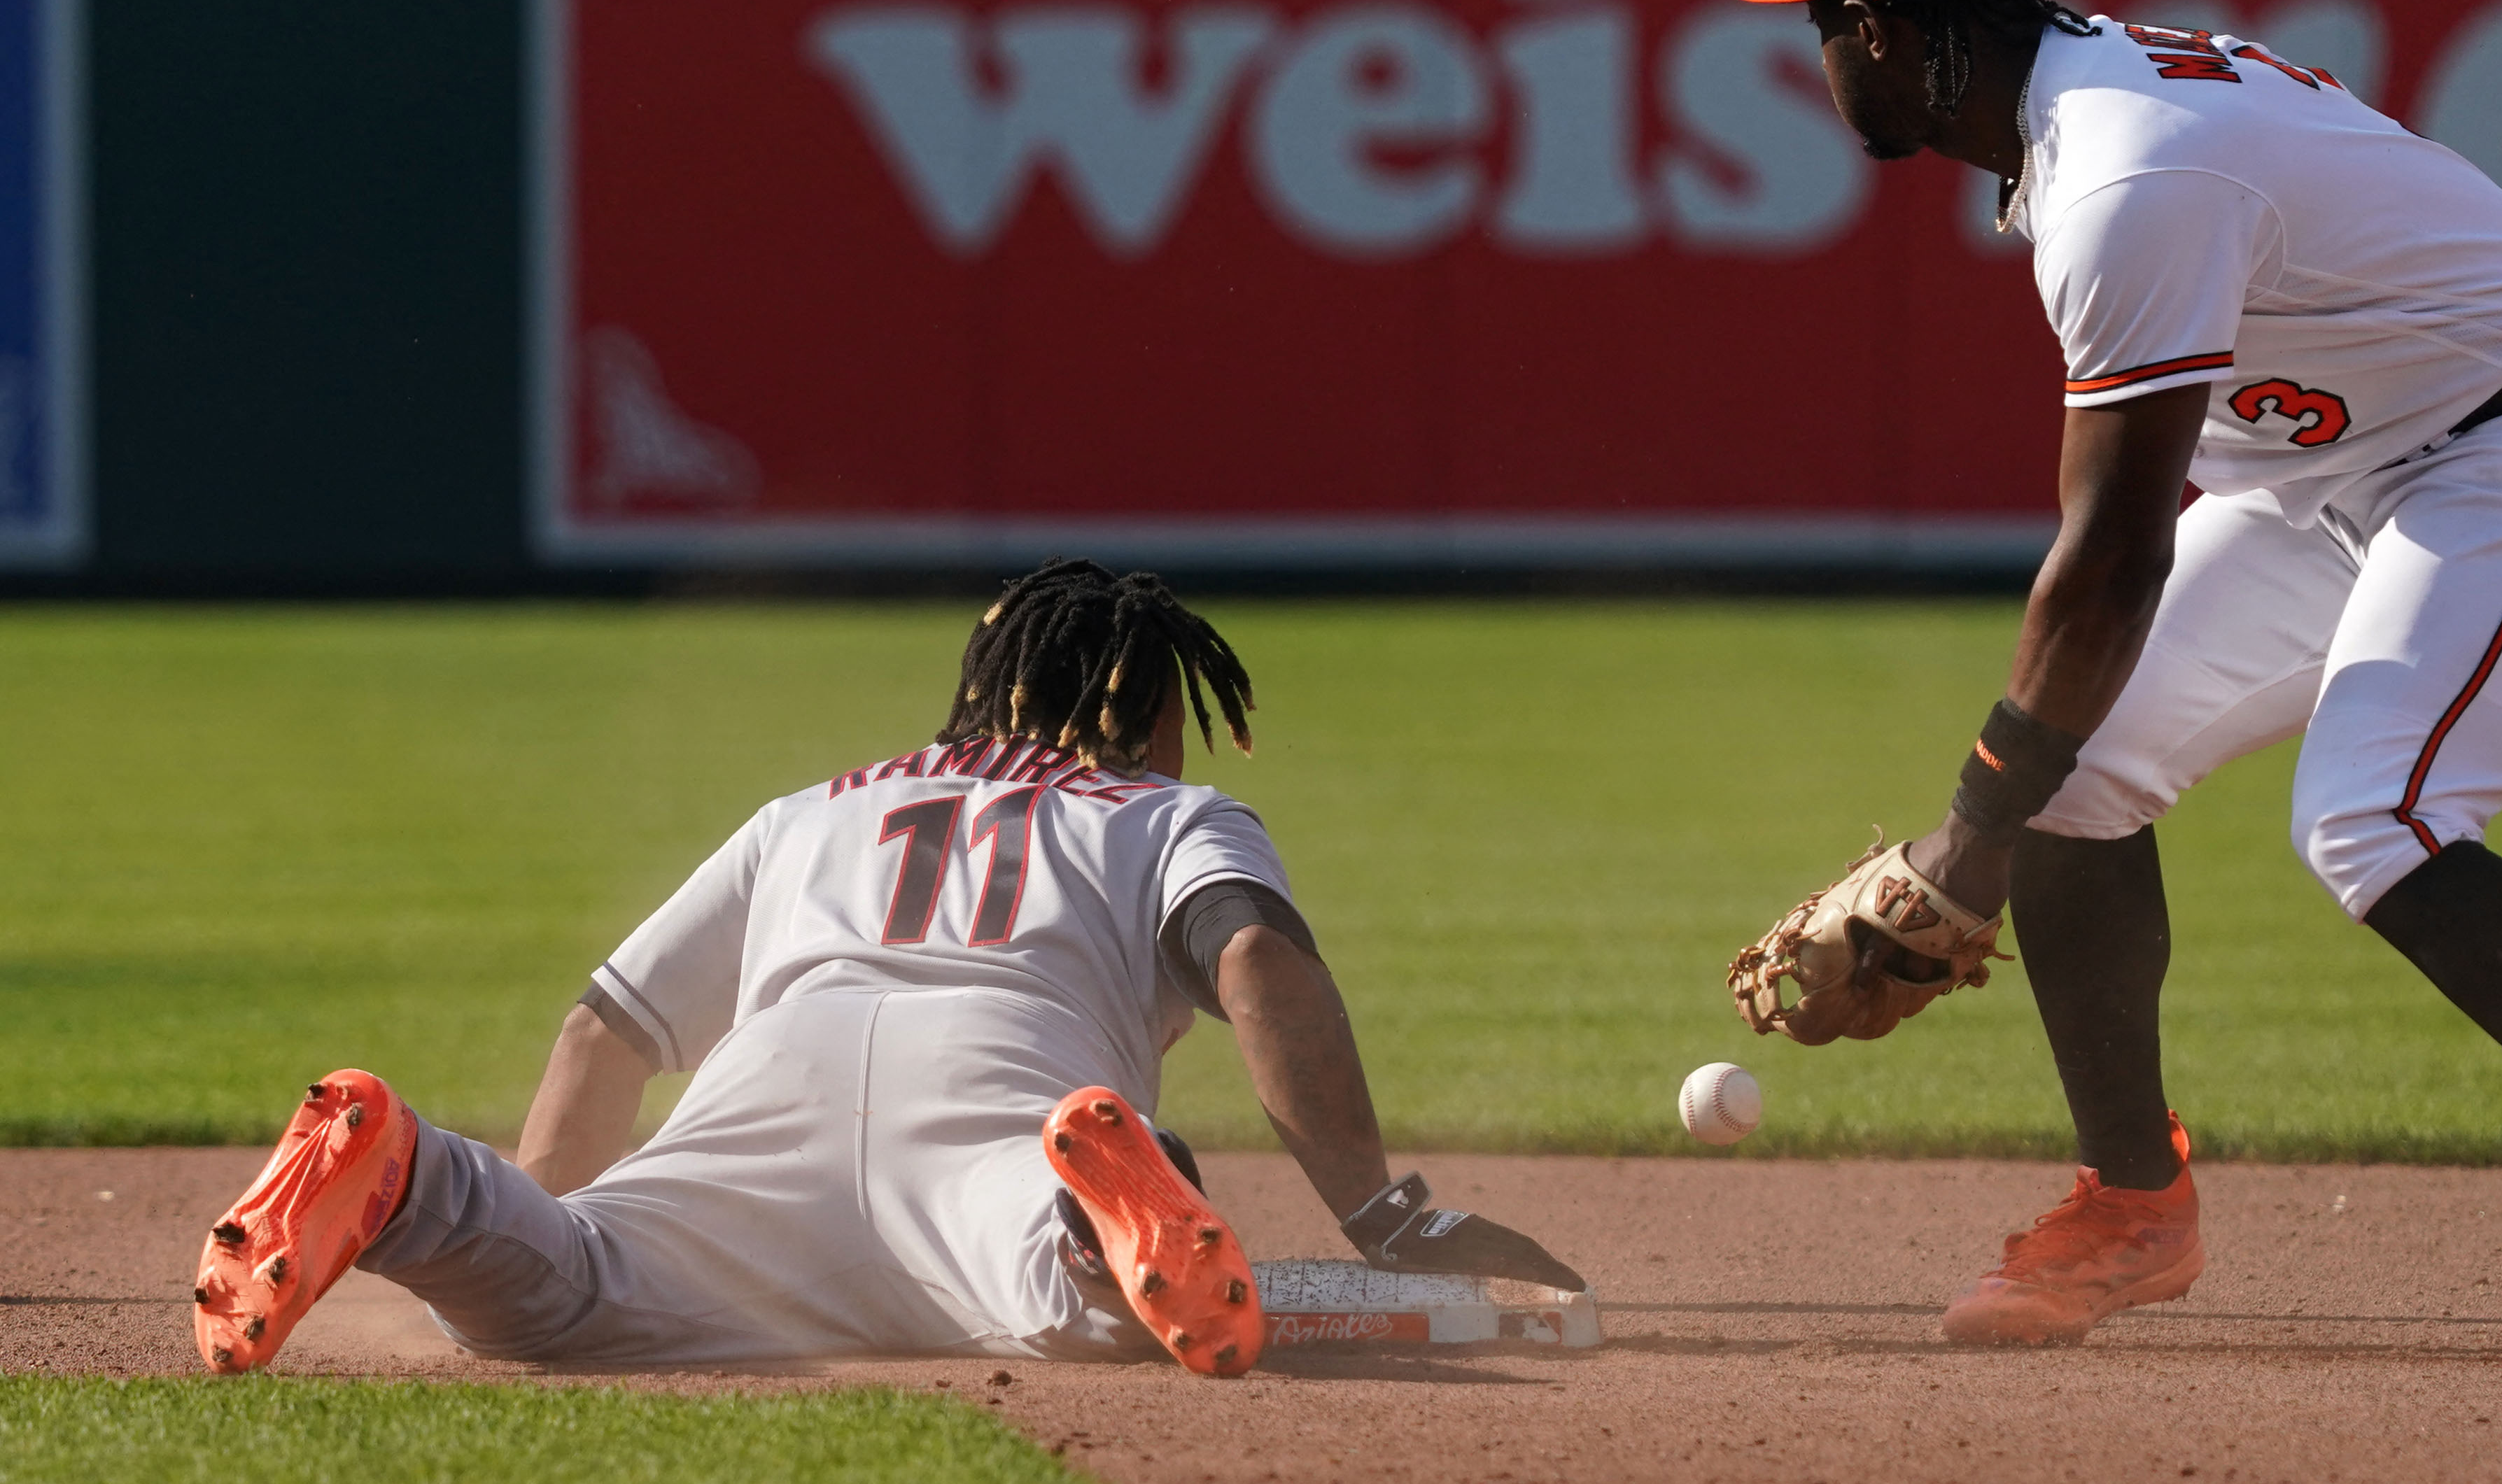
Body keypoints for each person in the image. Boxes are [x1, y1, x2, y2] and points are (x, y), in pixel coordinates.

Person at [1723, 0, 2502, 1364]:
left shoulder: (2128, 173)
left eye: (1815, 22)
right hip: (2347, 466)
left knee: (2369, 814)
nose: (1811, 55)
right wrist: (1996, 818)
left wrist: (1961, 845)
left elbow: (2113, 552)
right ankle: (2132, 1204)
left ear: (1885, 31)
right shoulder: (2069, 108)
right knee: (2076, 769)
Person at [194, 560, 1580, 1378]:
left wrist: (538, 1229)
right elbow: (1256, 958)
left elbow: (601, 1032)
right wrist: (1386, 1215)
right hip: (992, 1131)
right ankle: (1099, 1215)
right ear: (1148, 714)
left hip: (755, 1125)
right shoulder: (1163, 814)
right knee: (1066, 1296)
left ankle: (413, 1178)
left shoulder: (813, 809)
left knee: (566, 1283)